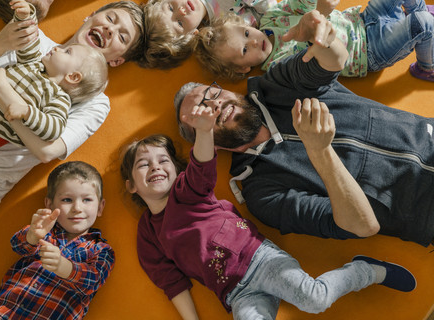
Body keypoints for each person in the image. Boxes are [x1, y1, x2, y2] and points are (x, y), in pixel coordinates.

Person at [175, 11, 434, 248]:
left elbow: (335, 60)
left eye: (211, 93)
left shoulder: (276, 85)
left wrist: (321, 39)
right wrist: (320, 152)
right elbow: (363, 225)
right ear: (207, 143)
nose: (214, 105)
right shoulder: (262, 194)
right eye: (200, 113)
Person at [119, 122, 415, 318]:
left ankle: (366, 271)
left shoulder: (188, 191)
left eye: (162, 161)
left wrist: (205, 130)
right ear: (132, 184)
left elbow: (202, 165)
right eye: (144, 164)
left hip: (260, 260)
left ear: (176, 170)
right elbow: (171, 282)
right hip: (234, 292)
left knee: (314, 299)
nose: (155, 167)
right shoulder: (148, 233)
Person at [0, 0, 144, 237]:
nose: (109, 30)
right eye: (111, 19)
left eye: (122, 37)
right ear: (91, 16)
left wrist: (0, 89)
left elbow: (46, 150)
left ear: (117, 60)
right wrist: (0, 42)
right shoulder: (33, 41)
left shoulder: (95, 101)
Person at [0, 0, 108, 171]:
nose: (58, 49)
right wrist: (27, 14)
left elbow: (53, 128)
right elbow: (30, 43)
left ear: (72, 76)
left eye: (67, 52)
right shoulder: (36, 64)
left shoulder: (58, 98)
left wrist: (27, 112)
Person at [0, 161, 115, 320]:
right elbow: (18, 245)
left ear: (100, 207)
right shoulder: (45, 230)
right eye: (67, 200)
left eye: (87, 200)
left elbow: (92, 281)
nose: (77, 207)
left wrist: (62, 266)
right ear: (49, 204)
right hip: (2, 313)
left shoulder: (101, 250)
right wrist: (32, 235)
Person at [194, 0, 434, 81]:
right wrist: (312, 31)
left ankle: (422, 27)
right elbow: (318, 64)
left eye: (247, 34)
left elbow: (302, 5)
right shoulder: (277, 68)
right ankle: (425, 66)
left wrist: (318, 5)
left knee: (421, 20)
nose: (254, 42)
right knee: (422, 23)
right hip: (369, 51)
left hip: (364, 19)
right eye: (245, 50)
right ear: (244, 68)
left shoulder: (270, 18)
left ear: (247, 25)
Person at [140, 0, 277, 69]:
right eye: (180, 23)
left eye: (170, 8)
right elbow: (267, 14)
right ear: (191, 35)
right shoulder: (226, 29)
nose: (181, 11)